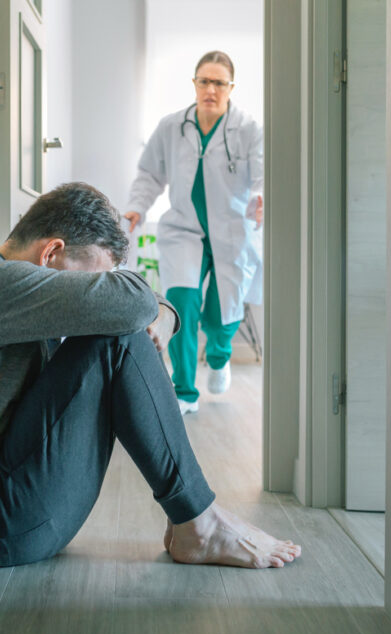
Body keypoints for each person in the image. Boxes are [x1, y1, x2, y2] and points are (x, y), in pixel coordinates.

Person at [0, 182, 299, 569]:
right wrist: (159, 312)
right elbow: (132, 302)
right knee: (115, 337)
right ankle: (199, 522)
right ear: (51, 253)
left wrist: (163, 314)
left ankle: (195, 517)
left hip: (2, 511)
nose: (95, 290)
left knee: (117, 327)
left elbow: (133, 303)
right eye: (94, 279)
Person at [124, 50, 264, 415]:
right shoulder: (173, 126)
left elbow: (265, 174)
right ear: (195, 83)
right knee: (182, 304)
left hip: (233, 229)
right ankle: (183, 390)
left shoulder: (249, 129)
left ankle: (219, 355)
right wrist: (137, 207)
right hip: (185, 229)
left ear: (231, 87)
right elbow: (150, 174)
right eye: (204, 81)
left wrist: (263, 197)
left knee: (222, 314)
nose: (211, 89)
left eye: (219, 82)